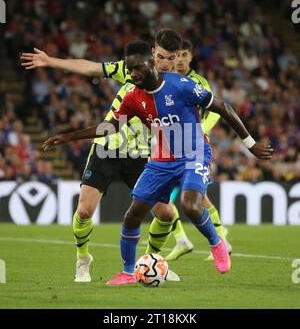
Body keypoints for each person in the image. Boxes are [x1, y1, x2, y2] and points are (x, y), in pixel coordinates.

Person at [42, 41, 273, 285]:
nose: (132, 75)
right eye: (129, 70)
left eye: (137, 69)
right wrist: (68, 136)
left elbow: (222, 107)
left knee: (189, 206)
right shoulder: (133, 94)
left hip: (191, 153)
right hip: (156, 158)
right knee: (132, 215)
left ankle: (216, 244)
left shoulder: (182, 86)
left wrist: (250, 144)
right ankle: (128, 272)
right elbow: (110, 125)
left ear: (152, 63)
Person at [21, 29, 186, 283]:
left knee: (166, 214)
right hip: (107, 146)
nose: (164, 63)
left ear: (176, 58)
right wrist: (51, 61)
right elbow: (89, 68)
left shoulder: (176, 86)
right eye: (160, 57)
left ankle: (151, 262)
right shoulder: (132, 68)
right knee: (85, 211)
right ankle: (82, 258)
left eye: (169, 59)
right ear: (153, 53)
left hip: (141, 154)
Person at [162, 40, 232, 261]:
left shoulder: (198, 81)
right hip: (168, 144)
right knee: (166, 196)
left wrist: (203, 129)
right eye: (177, 54)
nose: (180, 59)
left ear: (191, 57)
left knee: (196, 198)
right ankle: (186, 239)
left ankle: (217, 240)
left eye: (184, 54)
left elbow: (217, 109)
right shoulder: (165, 79)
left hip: (192, 146)